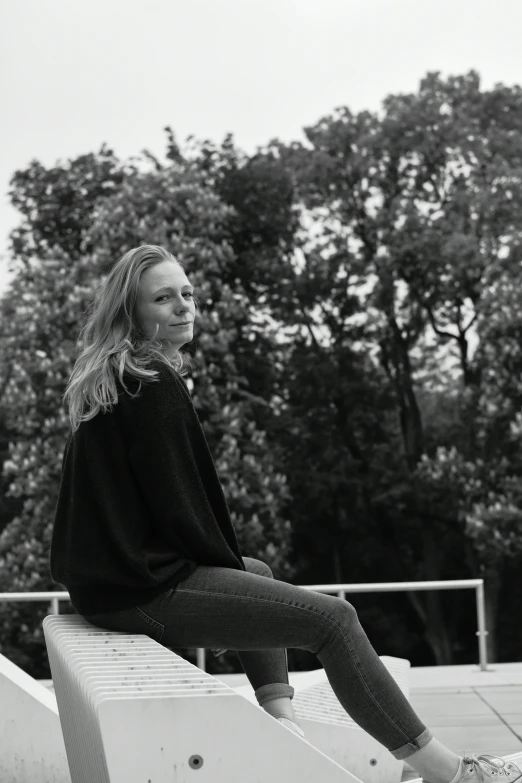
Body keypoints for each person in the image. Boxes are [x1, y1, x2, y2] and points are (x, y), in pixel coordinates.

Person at [49, 244, 521, 783]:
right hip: (138, 593)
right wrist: (220, 583)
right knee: (332, 620)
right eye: (164, 298)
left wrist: (234, 583)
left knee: (257, 574)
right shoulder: (151, 383)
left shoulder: (112, 377)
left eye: (188, 294)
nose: (184, 307)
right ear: (132, 314)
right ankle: (452, 773)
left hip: (107, 590)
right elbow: (186, 510)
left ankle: (283, 727)